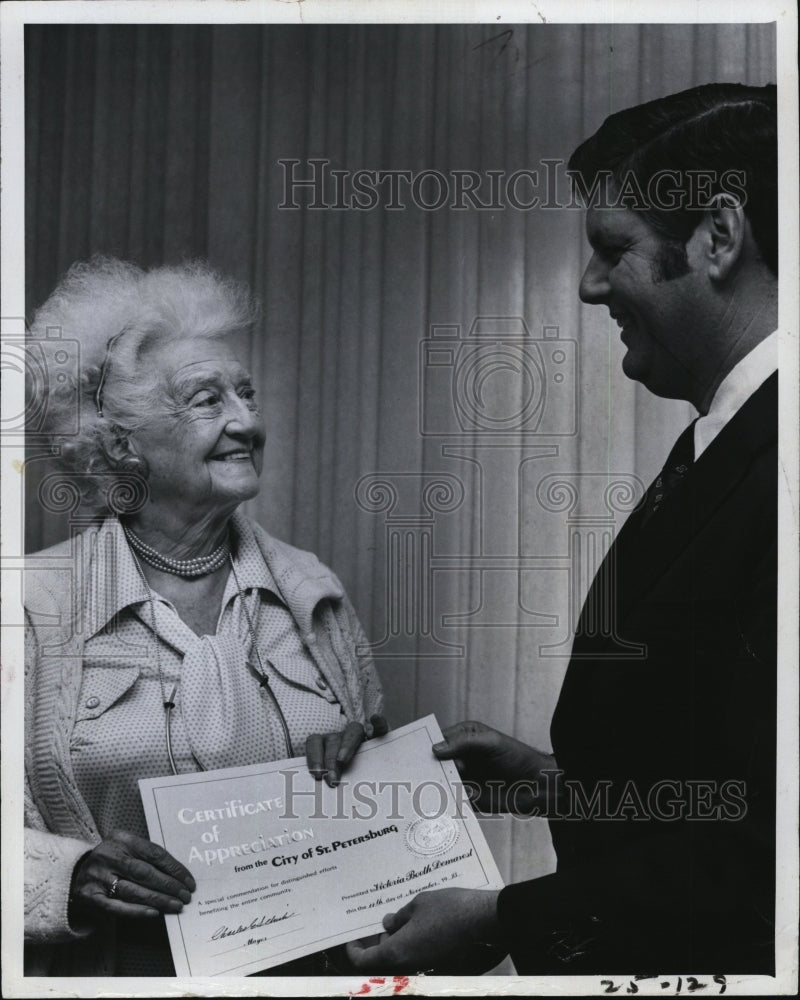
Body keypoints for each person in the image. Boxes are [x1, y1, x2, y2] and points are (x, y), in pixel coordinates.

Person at [347, 82, 778, 975]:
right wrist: (555, 782)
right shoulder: (726, 441)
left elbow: (771, 857)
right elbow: (733, 767)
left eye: (613, 250)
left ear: (720, 237)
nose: (589, 288)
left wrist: (504, 918)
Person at [23, 257, 386, 976]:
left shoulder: (314, 592)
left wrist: (363, 775)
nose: (248, 422)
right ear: (120, 443)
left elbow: (378, 806)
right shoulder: (30, 609)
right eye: (206, 400)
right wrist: (70, 876)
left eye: (247, 395)